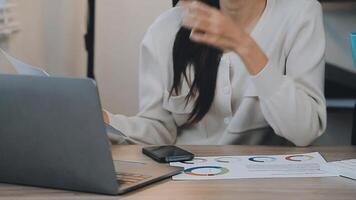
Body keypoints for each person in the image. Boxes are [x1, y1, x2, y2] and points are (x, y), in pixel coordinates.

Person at [103, 0, 327, 146]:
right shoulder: (168, 27)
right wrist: (105, 121)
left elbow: (303, 131)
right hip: (188, 181)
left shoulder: (301, 13)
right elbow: (158, 129)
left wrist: (245, 46)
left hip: (268, 184)